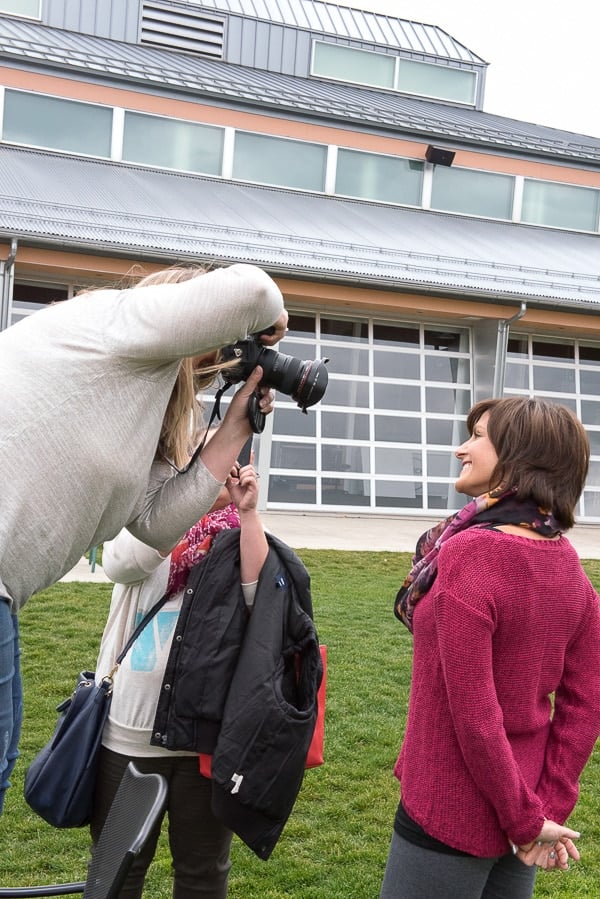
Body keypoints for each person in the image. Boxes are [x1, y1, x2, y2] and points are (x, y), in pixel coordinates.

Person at [0, 261, 287, 812]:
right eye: (221, 349)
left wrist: (237, 428)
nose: (219, 363)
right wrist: (272, 323)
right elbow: (253, 290)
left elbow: (154, 521)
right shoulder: (121, 321)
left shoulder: (135, 399)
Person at [380, 397, 600, 899]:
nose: (462, 448)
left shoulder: (468, 554)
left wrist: (527, 819)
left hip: (451, 808)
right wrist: (544, 809)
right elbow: (585, 706)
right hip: (526, 811)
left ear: (520, 455)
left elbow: (476, 717)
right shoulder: (570, 568)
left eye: (478, 436)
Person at [91, 456, 268, 899]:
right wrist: (184, 506)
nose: (221, 469)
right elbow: (120, 565)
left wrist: (248, 514)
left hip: (203, 736)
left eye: (231, 458)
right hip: (130, 732)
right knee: (116, 871)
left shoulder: (239, 533)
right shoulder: (150, 520)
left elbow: (260, 597)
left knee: (202, 873)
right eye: (209, 459)